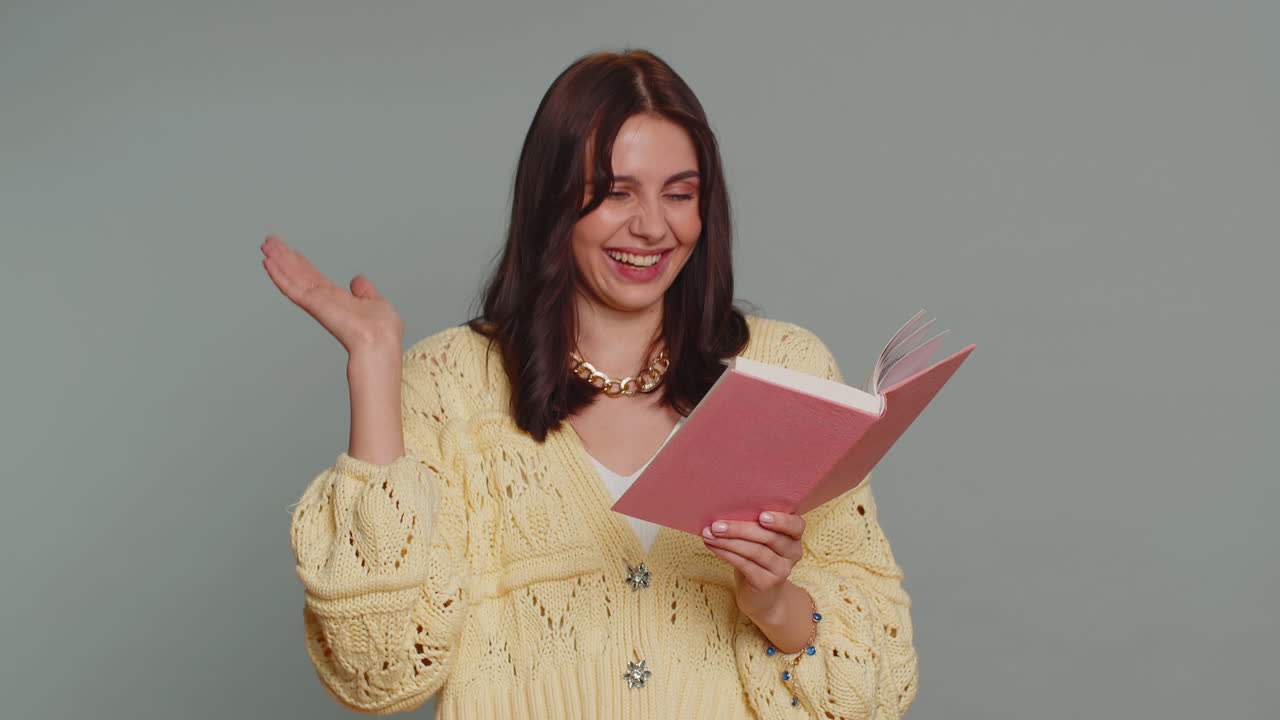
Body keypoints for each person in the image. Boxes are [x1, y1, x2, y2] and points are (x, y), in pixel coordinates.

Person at [263, 49, 918, 719]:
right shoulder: (447, 385)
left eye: (680, 194)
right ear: (552, 197)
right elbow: (379, 668)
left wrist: (774, 605)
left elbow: (878, 687)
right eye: (615, 192)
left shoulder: (788, 370)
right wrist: (374, 365)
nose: (653, 226)